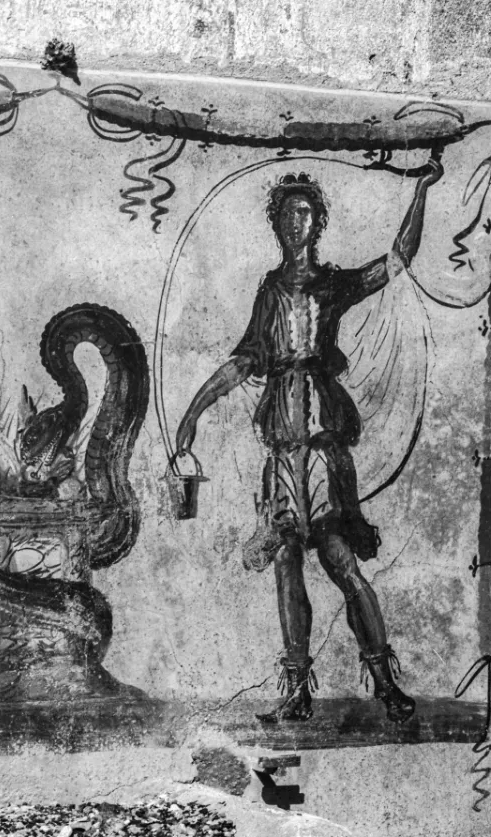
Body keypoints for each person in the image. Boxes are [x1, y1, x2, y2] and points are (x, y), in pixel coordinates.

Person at [175, 159, 443, 721]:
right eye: (287, 215)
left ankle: (385, 683)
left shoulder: (332, 285)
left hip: (322, 447)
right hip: (282, 449)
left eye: (304, 213)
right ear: (276, 224)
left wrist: (420, 189)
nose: (295, 223)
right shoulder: (270, 291)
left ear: (317, 223)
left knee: (340, 560)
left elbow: (399, 258)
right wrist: (193, 413)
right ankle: (296, 692)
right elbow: (245, 360)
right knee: (286, 561)